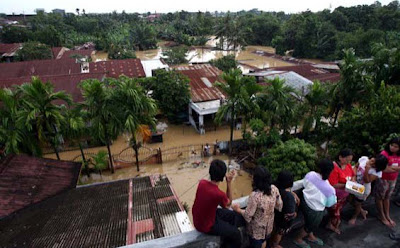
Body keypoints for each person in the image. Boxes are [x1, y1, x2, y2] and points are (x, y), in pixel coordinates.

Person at [192, 159, 245, 248]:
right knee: (236, 234)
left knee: (232, 216)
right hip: (205, 225)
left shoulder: (201, 183)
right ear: (223, 176)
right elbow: (228, 204)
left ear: (210, 172)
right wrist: (229, 182)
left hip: (199, 219)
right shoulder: (218, 194)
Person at [232, 167, 283, 248]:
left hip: (256, 231)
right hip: (268, 227)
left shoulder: (255, 196)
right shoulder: (274, 188)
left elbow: (248, 216)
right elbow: (279, 205)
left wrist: (238, 209)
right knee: (264, 241)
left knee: (256, 244)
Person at [294, 159, 337, 248]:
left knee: (309, 221)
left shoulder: (311, 175)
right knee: (310, 226)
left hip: (304, 202)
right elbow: (331, 205)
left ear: (319, 168)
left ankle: (310, 235)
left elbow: (304, 184)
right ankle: (298, 239)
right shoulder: (330, 190)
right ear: (330, 171)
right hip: (315, 210)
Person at [348, 154, 388, 225]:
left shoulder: (377, 172)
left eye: (374, 165)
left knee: (357, 203)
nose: (371, 163)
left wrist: (367, 169)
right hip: (354, 184)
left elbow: (367, 180)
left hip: (362, 189)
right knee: (350, 200)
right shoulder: (364, 158)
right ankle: (362, 211)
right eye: (372, 160)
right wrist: (354, 177)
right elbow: (356, 167)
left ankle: (355, 216)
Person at [326, 148, 355, 234]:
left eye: (350, 160)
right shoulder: (334, 168)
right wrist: (347, 185)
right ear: (340, 157)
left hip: (344, 195)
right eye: (347, 159)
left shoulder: (348, 165)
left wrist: (352, 181)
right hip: (336, 196)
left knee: (337, 211)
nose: (348, 162)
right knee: (335, 213)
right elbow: (333, 184)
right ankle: (331, 226)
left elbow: (353, 174)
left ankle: (331, 223)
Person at [374, 137, 400, 227]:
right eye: (392, 145)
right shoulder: (384, 154)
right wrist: (395, 169)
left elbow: (390, 168)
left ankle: (387, 215)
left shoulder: (398, 155)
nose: (393, 148)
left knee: (387, 197)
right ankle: (382, 215)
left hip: (393, 179)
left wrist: (391, 168)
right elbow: (383, 169)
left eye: (396, 146)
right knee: (380, 197)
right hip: (383, 179)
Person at [271, 170, 300, 248]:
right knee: (280, 232)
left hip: (275, 214)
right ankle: (275, 245)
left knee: (275, 229)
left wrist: (292, 192)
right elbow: (289, 214)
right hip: (282, 220)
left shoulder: (274, 187)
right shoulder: (288, 197)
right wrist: (295, 214)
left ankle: (272, 241)